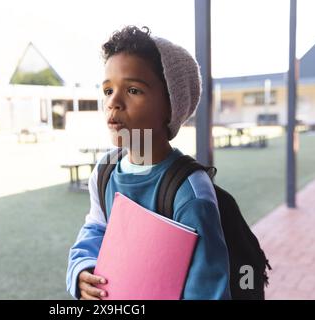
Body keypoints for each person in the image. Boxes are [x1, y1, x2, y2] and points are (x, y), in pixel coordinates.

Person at [66, 26, 231, 300]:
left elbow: (208, 290)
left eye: (133, 90)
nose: (113, 103)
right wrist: (82, 268)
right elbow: (96, 228)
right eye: (108, 90)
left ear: (171, 104)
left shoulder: (191, 194)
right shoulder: (105, 171)